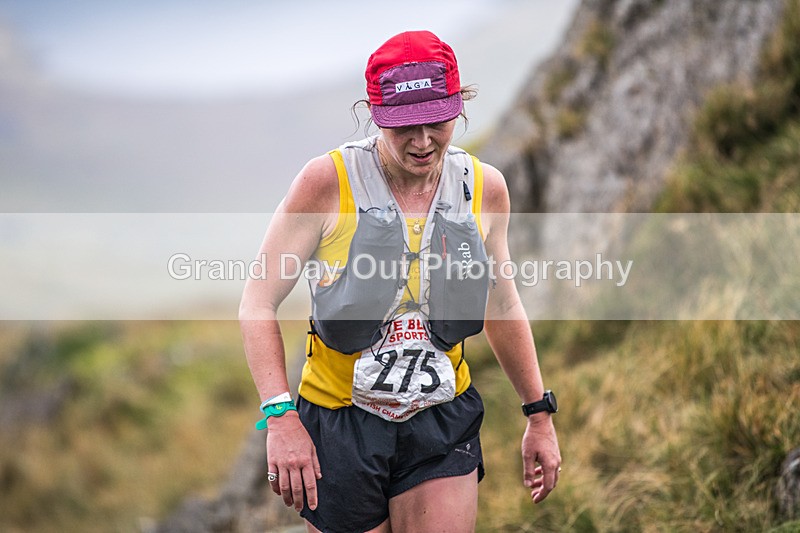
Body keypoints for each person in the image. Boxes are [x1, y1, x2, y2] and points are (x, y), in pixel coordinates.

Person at [239, 30, 561, 533]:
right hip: (340, 423)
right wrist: (280, 419)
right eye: (403, 126)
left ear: (459, 106)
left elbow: (502, 306)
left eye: (437, 121)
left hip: (440, 416)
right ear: (374, 113)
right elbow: (258, 302)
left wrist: (538, 414)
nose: (423, 141)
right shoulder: (327, 183)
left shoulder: (483, 189)